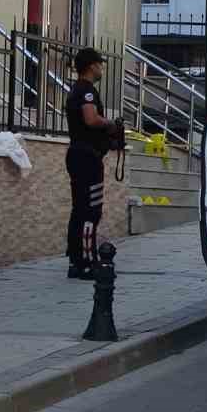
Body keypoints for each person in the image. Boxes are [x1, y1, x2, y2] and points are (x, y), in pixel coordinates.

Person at [64, 48, 118, 280]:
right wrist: (110, 124)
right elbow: (90, 119)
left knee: (79, 210)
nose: (102, 68)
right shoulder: (86, 91)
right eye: (99, 64)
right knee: (90, 212)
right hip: (87, 158)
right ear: (91, 66)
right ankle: (87, 262)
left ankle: (76, 262)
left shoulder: (76, 90)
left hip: (79, 155)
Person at [25, 0, 64, 109]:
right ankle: (29, 97)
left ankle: (33, 96)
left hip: (39, 24)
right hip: (33, 24)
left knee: (36, 62)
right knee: (32, 62)